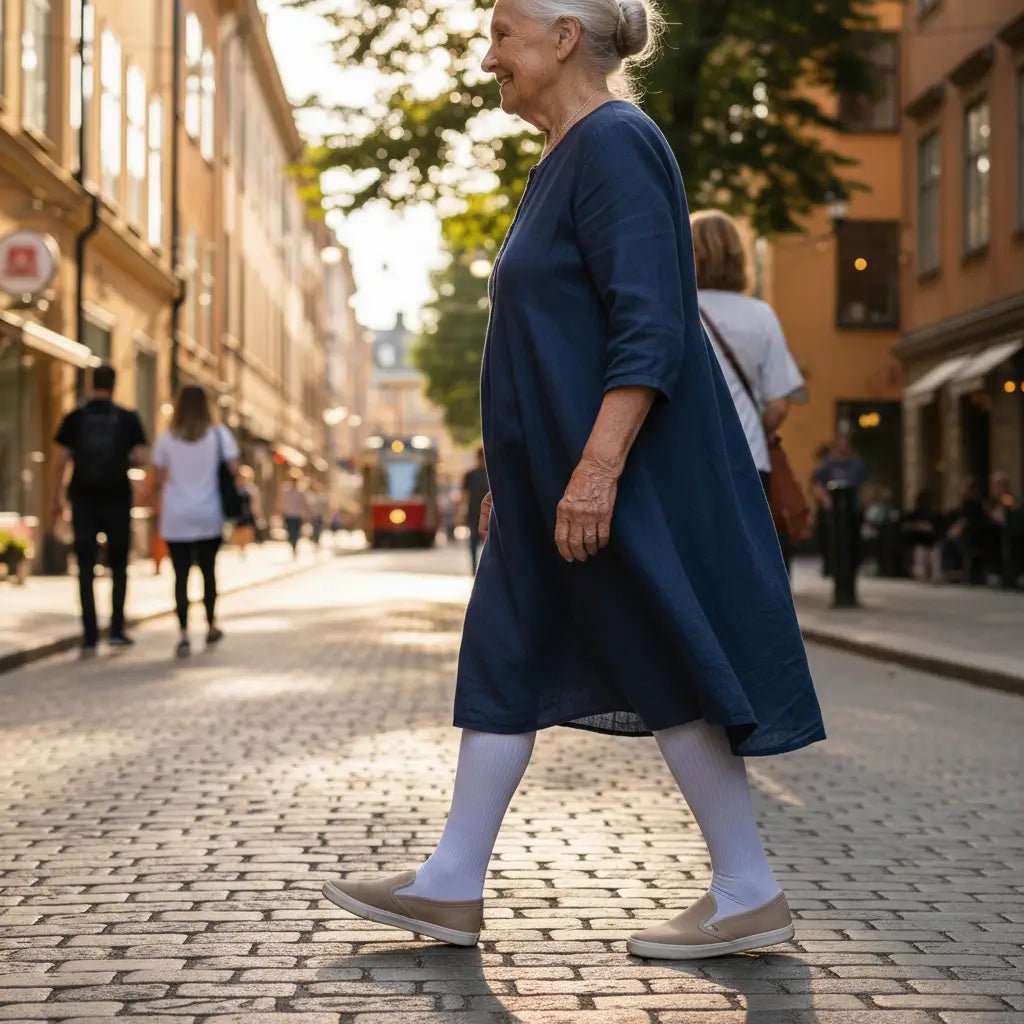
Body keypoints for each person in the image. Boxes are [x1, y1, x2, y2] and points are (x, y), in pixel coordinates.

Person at [321, 0, 825, 961]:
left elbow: (649, 327)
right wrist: (515, 481)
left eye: (503, 35)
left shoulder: (616, 144)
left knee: (658, 654)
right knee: (504, 658)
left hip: (608, 479)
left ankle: (747, 888)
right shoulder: (560, 157)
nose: (488, 58)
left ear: (562, 39)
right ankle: (452, 881)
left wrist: (596, 471)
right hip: (546, 484)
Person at [690, 210, 807, 572]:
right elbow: (779, 404)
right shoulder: (761, 315)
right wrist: (758, 422)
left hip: (689, 457)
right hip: (749, 460)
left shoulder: (677, 308)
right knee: (742, 563)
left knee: (696, 562)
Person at [52, 364, 148, 655]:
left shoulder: (76, 417)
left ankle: (90, 634)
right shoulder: (127, 418)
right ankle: (116, 629)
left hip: (83, 498)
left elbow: (59, 461)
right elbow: (142, 456)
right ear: (114, 385)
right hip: (117, 498)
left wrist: (56, 500)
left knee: (85, 567)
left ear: (91, 383)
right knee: (119, 566)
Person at [151, 386, 240, 658]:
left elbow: (156, 477)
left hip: (176, 515)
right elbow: (234, 469)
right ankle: (211, 625)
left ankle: (183, 634)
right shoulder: (218, 435)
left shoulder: (167, 439)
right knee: (208, 572)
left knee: (180, 576)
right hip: (208, 513)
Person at [811, 434, 868, 575]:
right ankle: (831, 566)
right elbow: (818, 485)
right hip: (833, 510)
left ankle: (852, 567)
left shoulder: (857, 465)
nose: (843, 449)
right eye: (840, 446)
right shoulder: (828, 465)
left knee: (853, 540)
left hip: (852, 508)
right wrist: (827, 502)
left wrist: (863, 504)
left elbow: (864, 486)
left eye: (846, 446)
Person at [462, 448, 491, 573]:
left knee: (486, 542)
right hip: (474, 513)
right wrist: (460, 513)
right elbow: (465, 495)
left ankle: (483, 568)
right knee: (474, 542)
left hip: (488, 514)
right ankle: (475, 568)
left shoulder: (491, 473)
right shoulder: (470, 475)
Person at [232, 466, 262, 557]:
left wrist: (258, 514)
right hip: (238, 513)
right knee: (239, 531)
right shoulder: (235, 488)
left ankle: (244, 546)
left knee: (247, 531)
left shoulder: (252, 489)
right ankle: (241, 547)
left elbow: (256, 503)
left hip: (249, 513)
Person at [279, 473, 308, 557]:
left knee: (296, 532)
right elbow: (281, 500)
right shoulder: (285, 489)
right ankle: (292, 545)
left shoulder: (301, 491)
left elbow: (304, 503)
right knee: (289, 532)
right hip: (288, 514)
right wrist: (280, 511)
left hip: (298, 515)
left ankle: (294, 546)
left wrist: (306, 514)